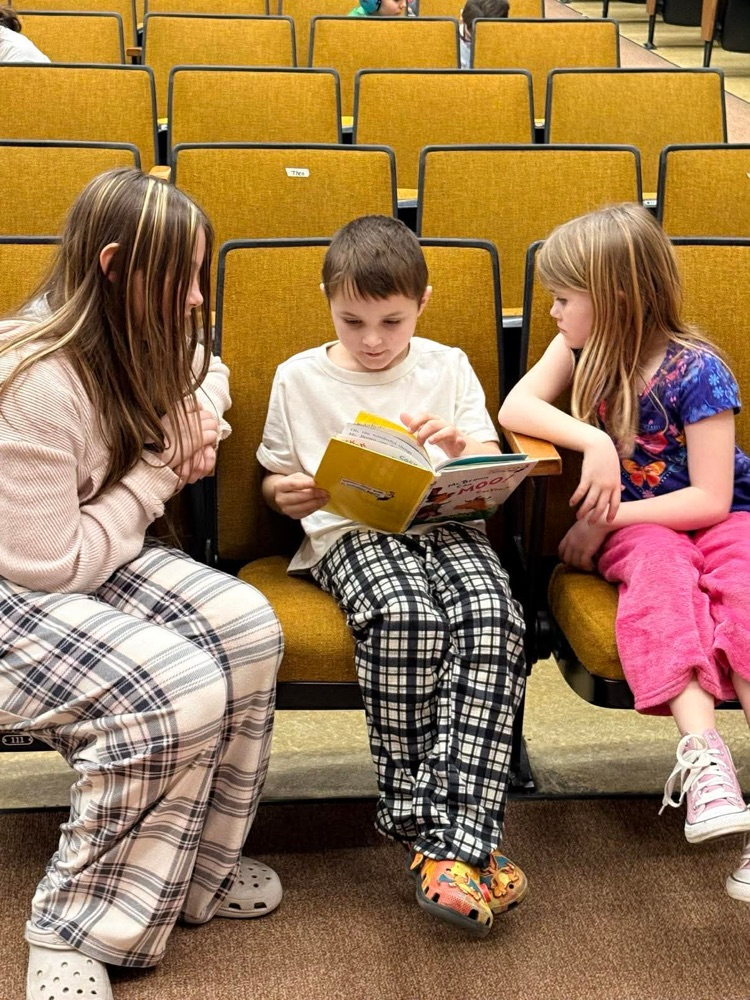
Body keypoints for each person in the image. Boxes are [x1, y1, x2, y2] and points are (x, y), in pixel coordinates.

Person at [0, 167, 284, 1000]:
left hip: (81, 548)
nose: (197, 297)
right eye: (182, 276)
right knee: (174, 687)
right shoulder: (32, 380)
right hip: (20, 580)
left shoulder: (145, 330)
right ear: (117, 265)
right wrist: (162, 466)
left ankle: (191, 869)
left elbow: (210, 371)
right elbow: (51, 568)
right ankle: (72, 923)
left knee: (246, 628)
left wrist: (196, 420)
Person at [258, 214, 527, 937]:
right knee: (406, 617)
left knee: (494, 617)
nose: (373, 340)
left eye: (391, 321)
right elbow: (278, 477)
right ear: (327, 303)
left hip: (447, 524)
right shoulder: (299, 376)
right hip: (350, 532)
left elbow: (483, 453)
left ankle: (439, 843)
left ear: (423, 305)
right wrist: (283, 493)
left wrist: (459, 444)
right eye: (353, 321)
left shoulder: (447, 364)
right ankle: (464, 844)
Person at [499, 202, 750, 903]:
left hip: (723, 516)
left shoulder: (699, 371)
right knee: (664, 585)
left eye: (561, 298)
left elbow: (709, 499)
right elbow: (517, 409)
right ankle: (705, 763)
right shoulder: (581, 352)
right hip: (646, 533)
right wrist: (596, 441)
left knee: (746, 601)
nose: (550, 313)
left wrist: (604, 521)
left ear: (611, 299)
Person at [459, 0, 509, 68]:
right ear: (461, 17)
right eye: (472, 36)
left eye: (487, 35)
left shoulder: (509, 45)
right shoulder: (447, 42)